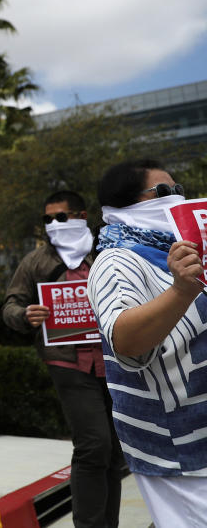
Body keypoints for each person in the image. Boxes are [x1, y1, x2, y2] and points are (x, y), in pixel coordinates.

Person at [87, 159, 207, 526]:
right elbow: (126, 340)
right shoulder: (115, 261)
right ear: (125, 205)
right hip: (179, 447)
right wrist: (181, 291)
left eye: (180, 190)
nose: (178, 199)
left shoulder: (184, 251)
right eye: (166, 193)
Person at [3, 190, 123, 527]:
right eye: (47, 220)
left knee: (114, 453)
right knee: (93, 445)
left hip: (116, 362)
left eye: (60, 217)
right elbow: (10, 305)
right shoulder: (35, 261)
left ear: (81, 216)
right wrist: (25, 314)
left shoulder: (107, 253)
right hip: (67, 363)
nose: (53, 225)